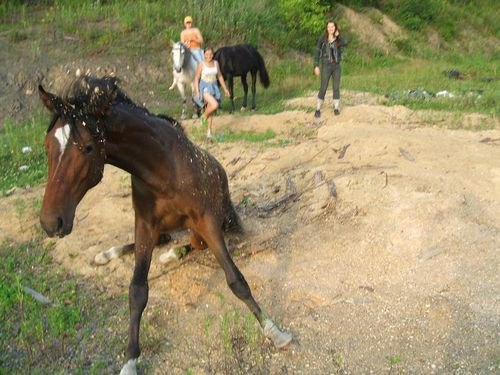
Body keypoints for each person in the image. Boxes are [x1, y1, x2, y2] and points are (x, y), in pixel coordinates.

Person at [313, 20, 347, 118]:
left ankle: (336, 108)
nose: (330, 28)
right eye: (329, 27)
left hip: (336, 66)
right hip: (326, 65)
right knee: (323, 87)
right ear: (326, 28)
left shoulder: (338, 39)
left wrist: (338, 36)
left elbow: (346, 42)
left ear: (335, 28)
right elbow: (317, 52)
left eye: (332, 27)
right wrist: (316, 65)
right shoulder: (323, 38)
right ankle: (318, 108)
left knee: (336, 87)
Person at [194, 47, 230, 140]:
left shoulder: (216, 63)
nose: (208, 56)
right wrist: (197, 91)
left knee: (210, 109)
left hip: (213, 87)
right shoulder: (201, 64)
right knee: (214, 105)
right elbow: (196, 78)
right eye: (207, 54)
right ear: (204, 55)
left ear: (213, 55)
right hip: (204, 87)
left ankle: (209, 133)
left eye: (210, 54)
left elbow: (219, 75)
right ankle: (203, 117)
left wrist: (225, 89)